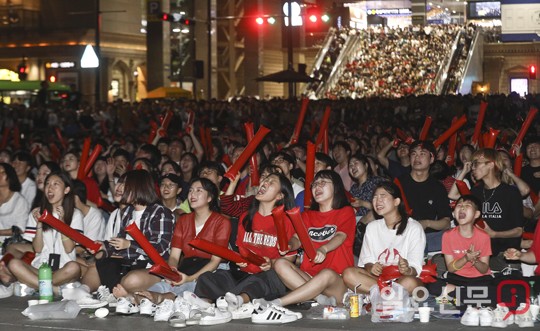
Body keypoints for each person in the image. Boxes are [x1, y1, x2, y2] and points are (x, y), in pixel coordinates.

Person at [194, 172, 297, 318]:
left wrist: (271, 263)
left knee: (260, 281)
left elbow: (290, 260)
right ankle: (204, 307)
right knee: (208, 278)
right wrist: (239, 259)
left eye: (271, 182)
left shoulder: (287, 221)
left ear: (280, 196)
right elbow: (242, 250)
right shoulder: (246, 217)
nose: (264, 183)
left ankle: (239, 302)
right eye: (264, 180)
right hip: (243, 274)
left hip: (268, 276)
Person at [133, 178, 231, 316]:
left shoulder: (222, 222)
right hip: (189, 266)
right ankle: (147, 297)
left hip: (213, 270)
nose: (192, 194)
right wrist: (172, 271)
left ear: (210, 197)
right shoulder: (183, 220)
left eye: (198, 191)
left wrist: (189, 278)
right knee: (168, 283)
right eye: (190, 190)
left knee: (192, 285)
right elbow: (174, 256)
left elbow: (215, 261)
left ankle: (161, 299)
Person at [267, 170, 356, 312]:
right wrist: (289, 245)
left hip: (336, 280)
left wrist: (324, 249)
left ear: (336, 187)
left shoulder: (345, 211)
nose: (317, 187)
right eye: (314, 184)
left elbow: (340, 236)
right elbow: (297, 239)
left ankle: (276, 303)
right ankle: (319, 299)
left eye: (323, 183)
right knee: (280, 263)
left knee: (326, 274)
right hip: (308, 276)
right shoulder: (307, 215)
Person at [83, 170, 174, 295]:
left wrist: (130, 244)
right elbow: (120, 244)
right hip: (129, 264)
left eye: (125, 184)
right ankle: (82, 293)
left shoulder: (160, 212)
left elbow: (160, 249)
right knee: (95, 266)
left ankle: (126, 295)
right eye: (119, 183)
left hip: (153, 268)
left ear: (139, 187)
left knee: (131, 280)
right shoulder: (127, 212)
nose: (119, 187)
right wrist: (103, 246)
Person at [6, 172, 83, 295]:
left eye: (55, 184)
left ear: (66, 190)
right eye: (47, 184)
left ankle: (34, 285)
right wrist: (40, 224)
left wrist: (62, 222)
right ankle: (54, 289)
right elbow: (37, 248)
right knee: (14, 263)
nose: (50, 188)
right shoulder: (37, 212)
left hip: (63, 268)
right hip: (40, 268)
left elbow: (69, 248)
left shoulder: (75, 214)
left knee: (74, 267)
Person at [342, 181, 426, 295]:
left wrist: (407, 269)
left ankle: (382, 297)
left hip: (403, 280)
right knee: (348, 274)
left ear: (396, 201)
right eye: (375, 197)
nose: (378, 201)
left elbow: (415, 269)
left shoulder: (414, 228)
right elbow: (366, 262)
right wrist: (372, 267)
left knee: (409, 282)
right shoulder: (372, 227)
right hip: (379, 281)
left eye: (383, 196)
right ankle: (389, 296)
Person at [449, 148, 523, 271]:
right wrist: (463, 171)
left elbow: (518, 231)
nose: (473, 168)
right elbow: (452, 195)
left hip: (505, 255)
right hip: (480, 255)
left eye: (476, 164)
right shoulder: (476, 191)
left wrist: (494, 234)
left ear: (490, 164)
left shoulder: (511, 192)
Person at [436, 195, 492, 304]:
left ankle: (460, 297)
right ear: (454, 213)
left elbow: (484, 269)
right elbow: (451, 268)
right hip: (457, 278)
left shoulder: (484, 236)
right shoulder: (448, 236)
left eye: (467, 205)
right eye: (459, 205)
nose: (462, 208)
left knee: (491, 290)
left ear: (476, 214)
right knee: (434, 287)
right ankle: (468, 298)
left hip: (479, 280)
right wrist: (466, 258)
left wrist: (474, 260)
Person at [398, 140, 451, 253]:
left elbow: (446, 222)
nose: (417, 157)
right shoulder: (399, 183)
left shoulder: (437, 187)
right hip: (400, 236)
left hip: (427, 238)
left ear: (432, 159)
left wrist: (426, 223)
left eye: (422, 154)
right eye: (413, 154)